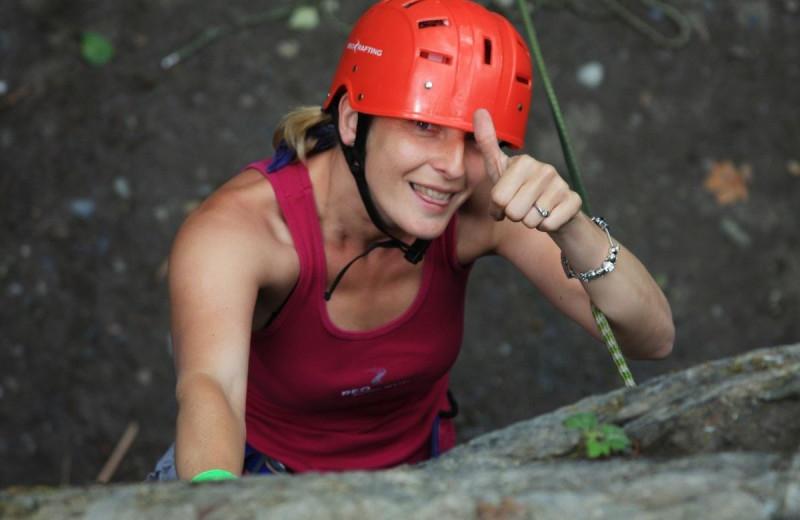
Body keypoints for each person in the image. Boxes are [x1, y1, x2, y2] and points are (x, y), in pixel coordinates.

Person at [147, 0, 674, 482]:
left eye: (473, 139)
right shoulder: (239, 233)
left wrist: (573, 228)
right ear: (353, 120)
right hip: (266, 473)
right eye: (424, 126)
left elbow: (651, 340)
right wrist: (216, 502)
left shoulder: (479, 202)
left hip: (422, 472)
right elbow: (209, 387)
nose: (448, 168)